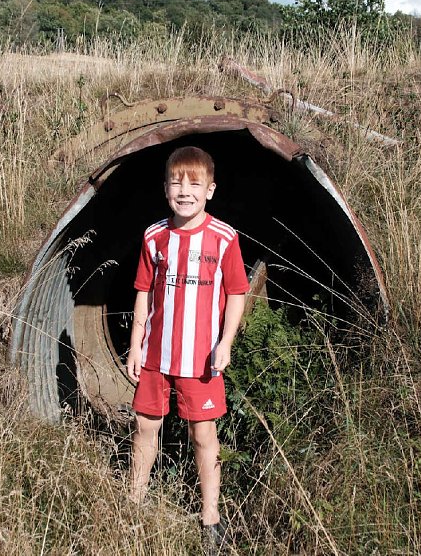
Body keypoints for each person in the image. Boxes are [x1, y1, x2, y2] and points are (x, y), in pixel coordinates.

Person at [126, 146, 249, 551]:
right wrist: (135, 346)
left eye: (194, 184)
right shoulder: (154, 236)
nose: (185, 191)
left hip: (201, 360)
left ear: (210, 190)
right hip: (156, 356)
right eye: (176, 183)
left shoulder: (224, 238)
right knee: (146, 427)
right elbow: (143, 292)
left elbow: (237, 293)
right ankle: (134, 504)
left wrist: (225, 342)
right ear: (165, 189)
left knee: (203, 434)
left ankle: (210, 517)